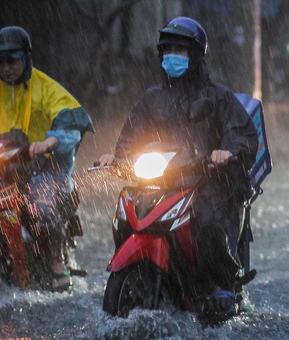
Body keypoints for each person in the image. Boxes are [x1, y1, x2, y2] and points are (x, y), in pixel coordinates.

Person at [97, 16, 258, 313]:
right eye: (168, 50)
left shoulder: (217, 97)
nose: (173, 57)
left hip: (207, 181)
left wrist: (226, 152)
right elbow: (131, 135)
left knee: (207, 222)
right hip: (161, 182)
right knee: (126, 216)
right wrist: (117, 158)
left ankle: (217, 284)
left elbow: (241, 134)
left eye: (181, 51)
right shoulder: (151, 98)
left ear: (195, 56)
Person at [0, 26, 95, 291]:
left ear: (26, 58)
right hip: (2, 168)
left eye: (12, 60)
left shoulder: (47, 89)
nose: (6, 67)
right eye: (0, 61)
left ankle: (57, 266)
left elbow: (71, 123)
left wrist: (51, 141)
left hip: (45, 170)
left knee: (41, 209)